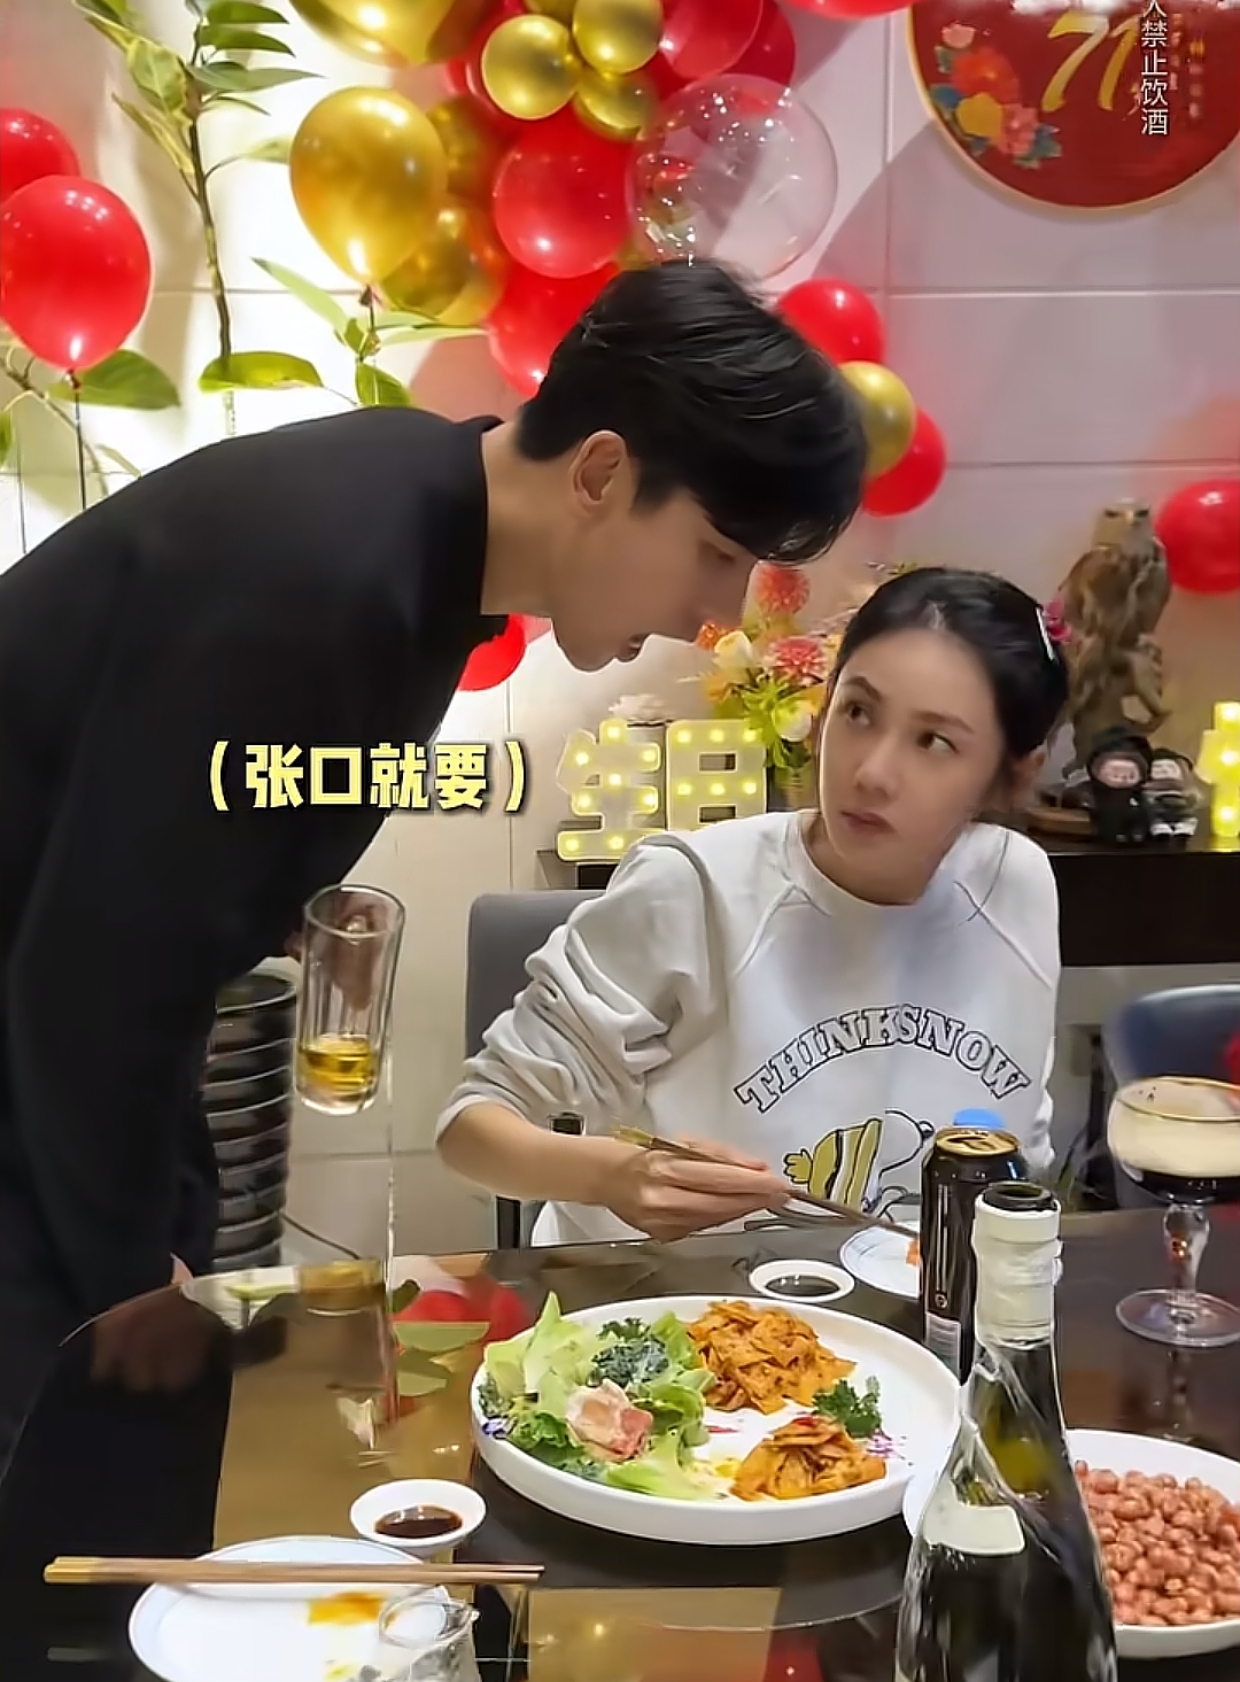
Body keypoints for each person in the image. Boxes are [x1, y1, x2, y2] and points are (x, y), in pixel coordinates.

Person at [0, 258, 866, 1456]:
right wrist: (125, 1275)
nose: (713, 613)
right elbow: (91, 969)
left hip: (62, 1060)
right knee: (81, 1490)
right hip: (36, 1061)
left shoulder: (411, 533)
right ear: (602, 473)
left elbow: (166, 850)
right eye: (717, 552)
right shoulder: (331, 573)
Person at [436, 567, 1071, 1245]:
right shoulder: (696, 889)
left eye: (934, 742)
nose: (872, 772)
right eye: (859, 712)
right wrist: (616, 1178)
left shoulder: (1017, 886)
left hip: (909, 1300)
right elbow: (470, 1128)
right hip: (662, 1295)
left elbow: (1017, 1165)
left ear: (1013, 774)